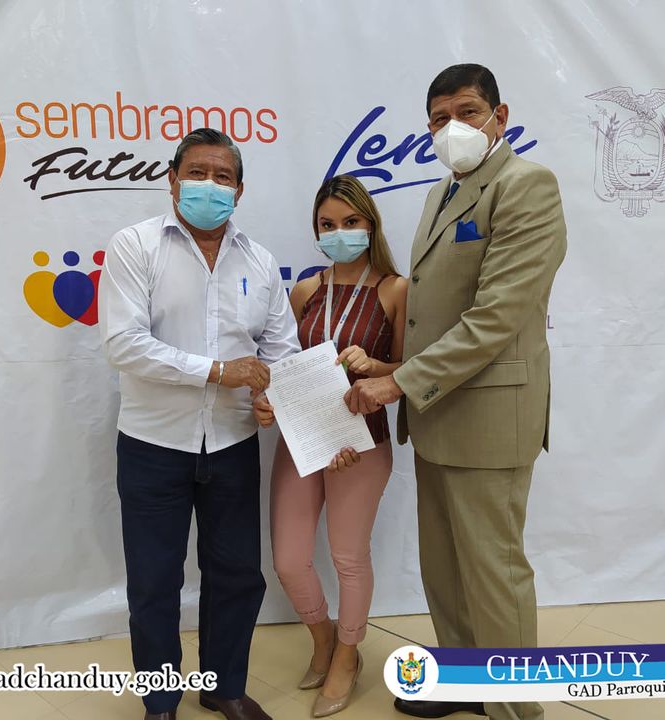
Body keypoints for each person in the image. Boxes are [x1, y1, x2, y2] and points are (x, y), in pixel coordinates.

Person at [345, 64, 567, 720]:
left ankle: (515, 708)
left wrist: (399, 380)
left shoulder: (526, 186)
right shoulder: (442, 193)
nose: (453, 128)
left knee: (494, 570)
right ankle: (467, 680)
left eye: (467, 112)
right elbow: (431, 312)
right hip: (437, 411)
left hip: (490, 415)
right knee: (444, 567)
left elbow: (495, 317)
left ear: (501, 116)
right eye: (439, 119)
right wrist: (391, 366)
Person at [98, 128, 300, 720]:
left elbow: (280, 350)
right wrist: (216, 371)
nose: (209, 185)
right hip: (152, 443)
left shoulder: (259, 261)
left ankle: (223, 686)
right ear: (172, 180)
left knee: (237, 574)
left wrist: (272, 395)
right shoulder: (135, 245)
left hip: (233, 443)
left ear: (240, 189)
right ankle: (160, 701)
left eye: (223, 176)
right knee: (154, 582)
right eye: (197, 173)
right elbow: (124, 344)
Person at [253, 175, 408, 717]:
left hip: (362, 441)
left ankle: (347, 654)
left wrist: (375, 364)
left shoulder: (395, 289)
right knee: (289, 559)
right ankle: (322, 637)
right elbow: (282, 368)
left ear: (370, 224)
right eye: (327, 224)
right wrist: (267, 401)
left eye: (350, 222)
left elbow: (410, 369)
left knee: (348, 556)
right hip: (303, 440)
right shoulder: (304, 291)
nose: (339, 232)